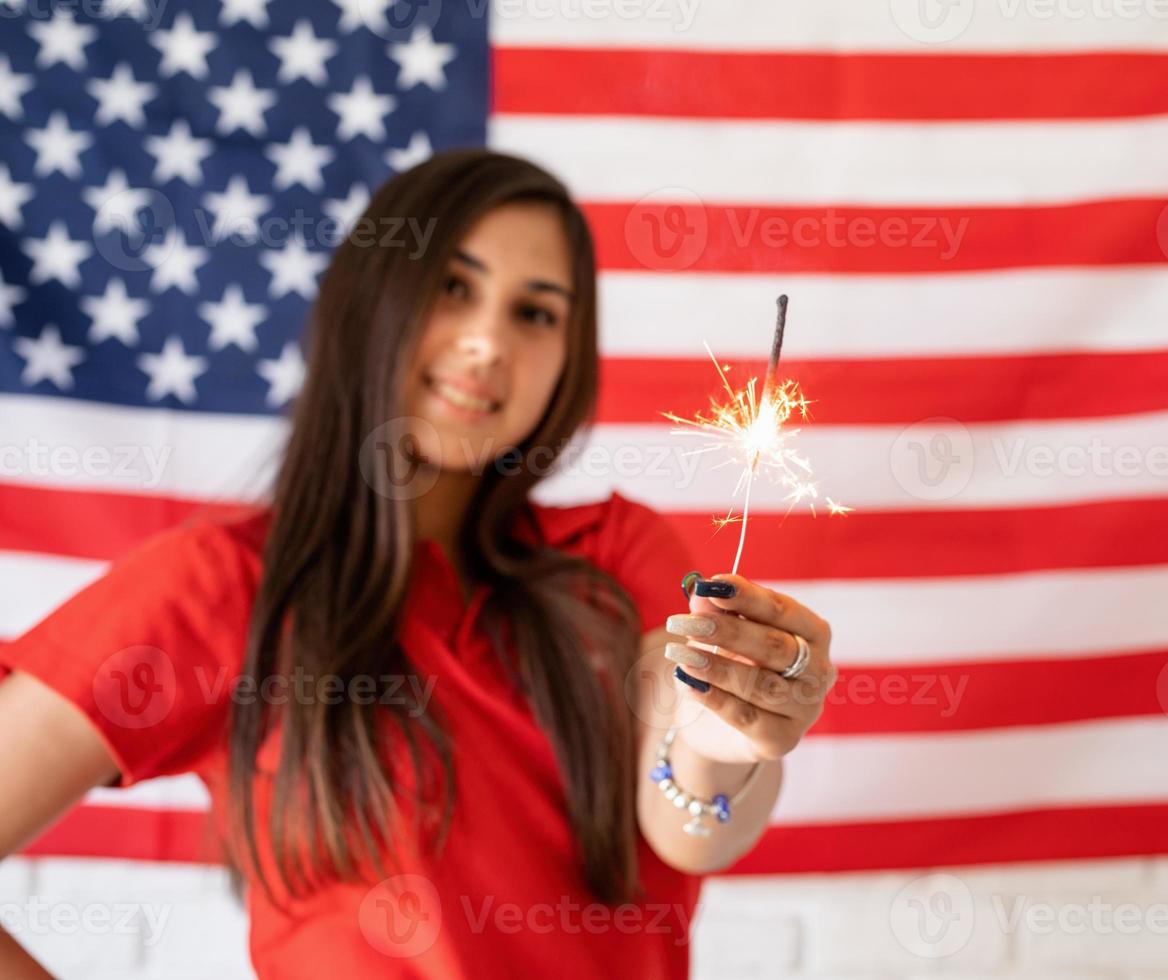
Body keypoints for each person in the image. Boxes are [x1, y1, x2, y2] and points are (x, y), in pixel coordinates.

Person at [0, 149, 836, 978]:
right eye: (453, 287)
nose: (486, 344)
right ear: (371, 302)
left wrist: (717, 744)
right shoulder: (221, 586)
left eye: (536, 313)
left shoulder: (614, 556)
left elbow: (690, 833)